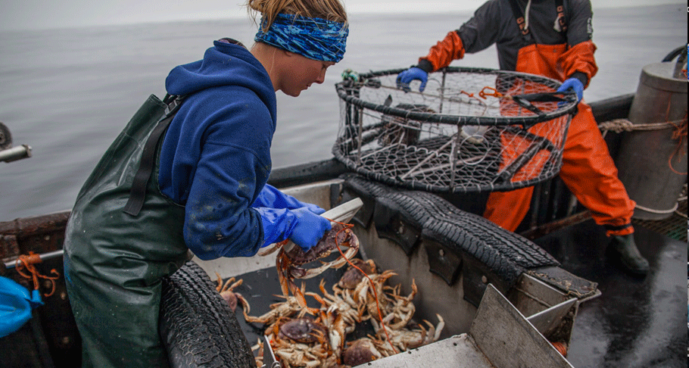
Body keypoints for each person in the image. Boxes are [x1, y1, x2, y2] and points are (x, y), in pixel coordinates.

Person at [62, 0, 348, 366]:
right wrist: (286, 224)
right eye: (323, 64)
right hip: (115, 264)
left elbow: (196, 172)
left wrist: (275, 201)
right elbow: (213, 231)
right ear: (298, 46)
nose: (322, 78)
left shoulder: (219, 80)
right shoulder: (246, 112)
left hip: (100, 230)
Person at [396, 0, 649, 276]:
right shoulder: (499, 8)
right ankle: (487, 254)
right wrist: (425, 64)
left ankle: (622, 235)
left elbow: (582, 47)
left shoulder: (574, 3)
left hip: (565, 105)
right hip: (521, 112)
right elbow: (461, 38)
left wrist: (578, 76)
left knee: (598, 171)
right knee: (512, 190)